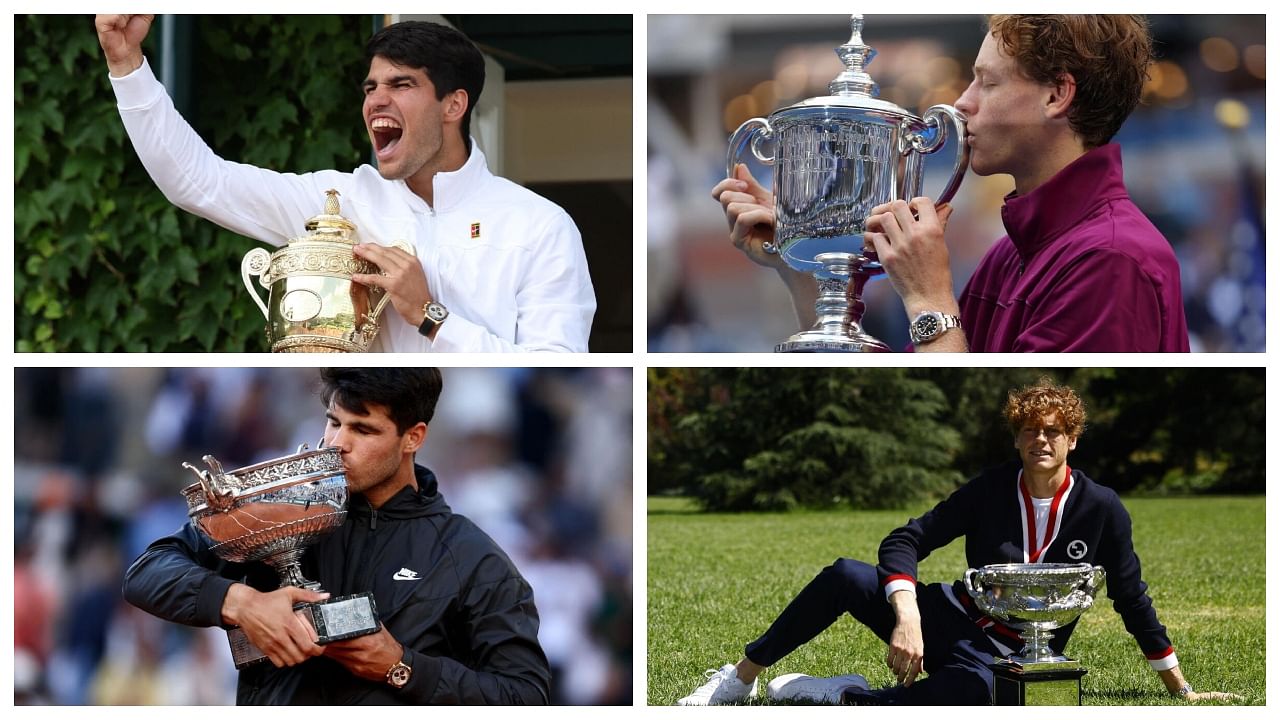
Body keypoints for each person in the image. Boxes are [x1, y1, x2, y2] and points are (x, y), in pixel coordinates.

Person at [676, 379, 1239, 705]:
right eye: (1029, 430)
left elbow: (1132, 599)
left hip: (1014, 658)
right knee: (846, 574)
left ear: (1072, 439)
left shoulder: (1102, 508)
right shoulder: (992, 488)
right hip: (947, 620)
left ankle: (843, 696)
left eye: (1052, 431)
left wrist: (1180, 691)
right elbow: (907, 539)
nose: (1040, 439)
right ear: (1018, 437)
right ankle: (740, 679)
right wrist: (907, 613)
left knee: (971, 696)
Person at [95, 15, 595, 352]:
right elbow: (199, 183)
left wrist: (429, 314)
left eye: (401, 85)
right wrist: (125, 64)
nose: (377, 101)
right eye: (371, 88)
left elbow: (557, 366)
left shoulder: (541, 226)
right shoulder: (337, 200)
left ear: (453, 105)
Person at [713, 15, 1188, 352]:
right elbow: (902, 404)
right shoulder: (1015, 253)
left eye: (987, 83)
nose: (962, 103)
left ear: (1056, 95)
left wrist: (928, 299)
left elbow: (988, 434)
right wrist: (802, 262)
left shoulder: (1110, 259)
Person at [123, 368, 551, 704]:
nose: (336, 443)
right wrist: (243, 603)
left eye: (363, 430)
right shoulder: (277, 512)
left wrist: (402, 667)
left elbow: (525, 696)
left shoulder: (470, 556)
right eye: (333, 422)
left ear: (412, 438)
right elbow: (146, 573)